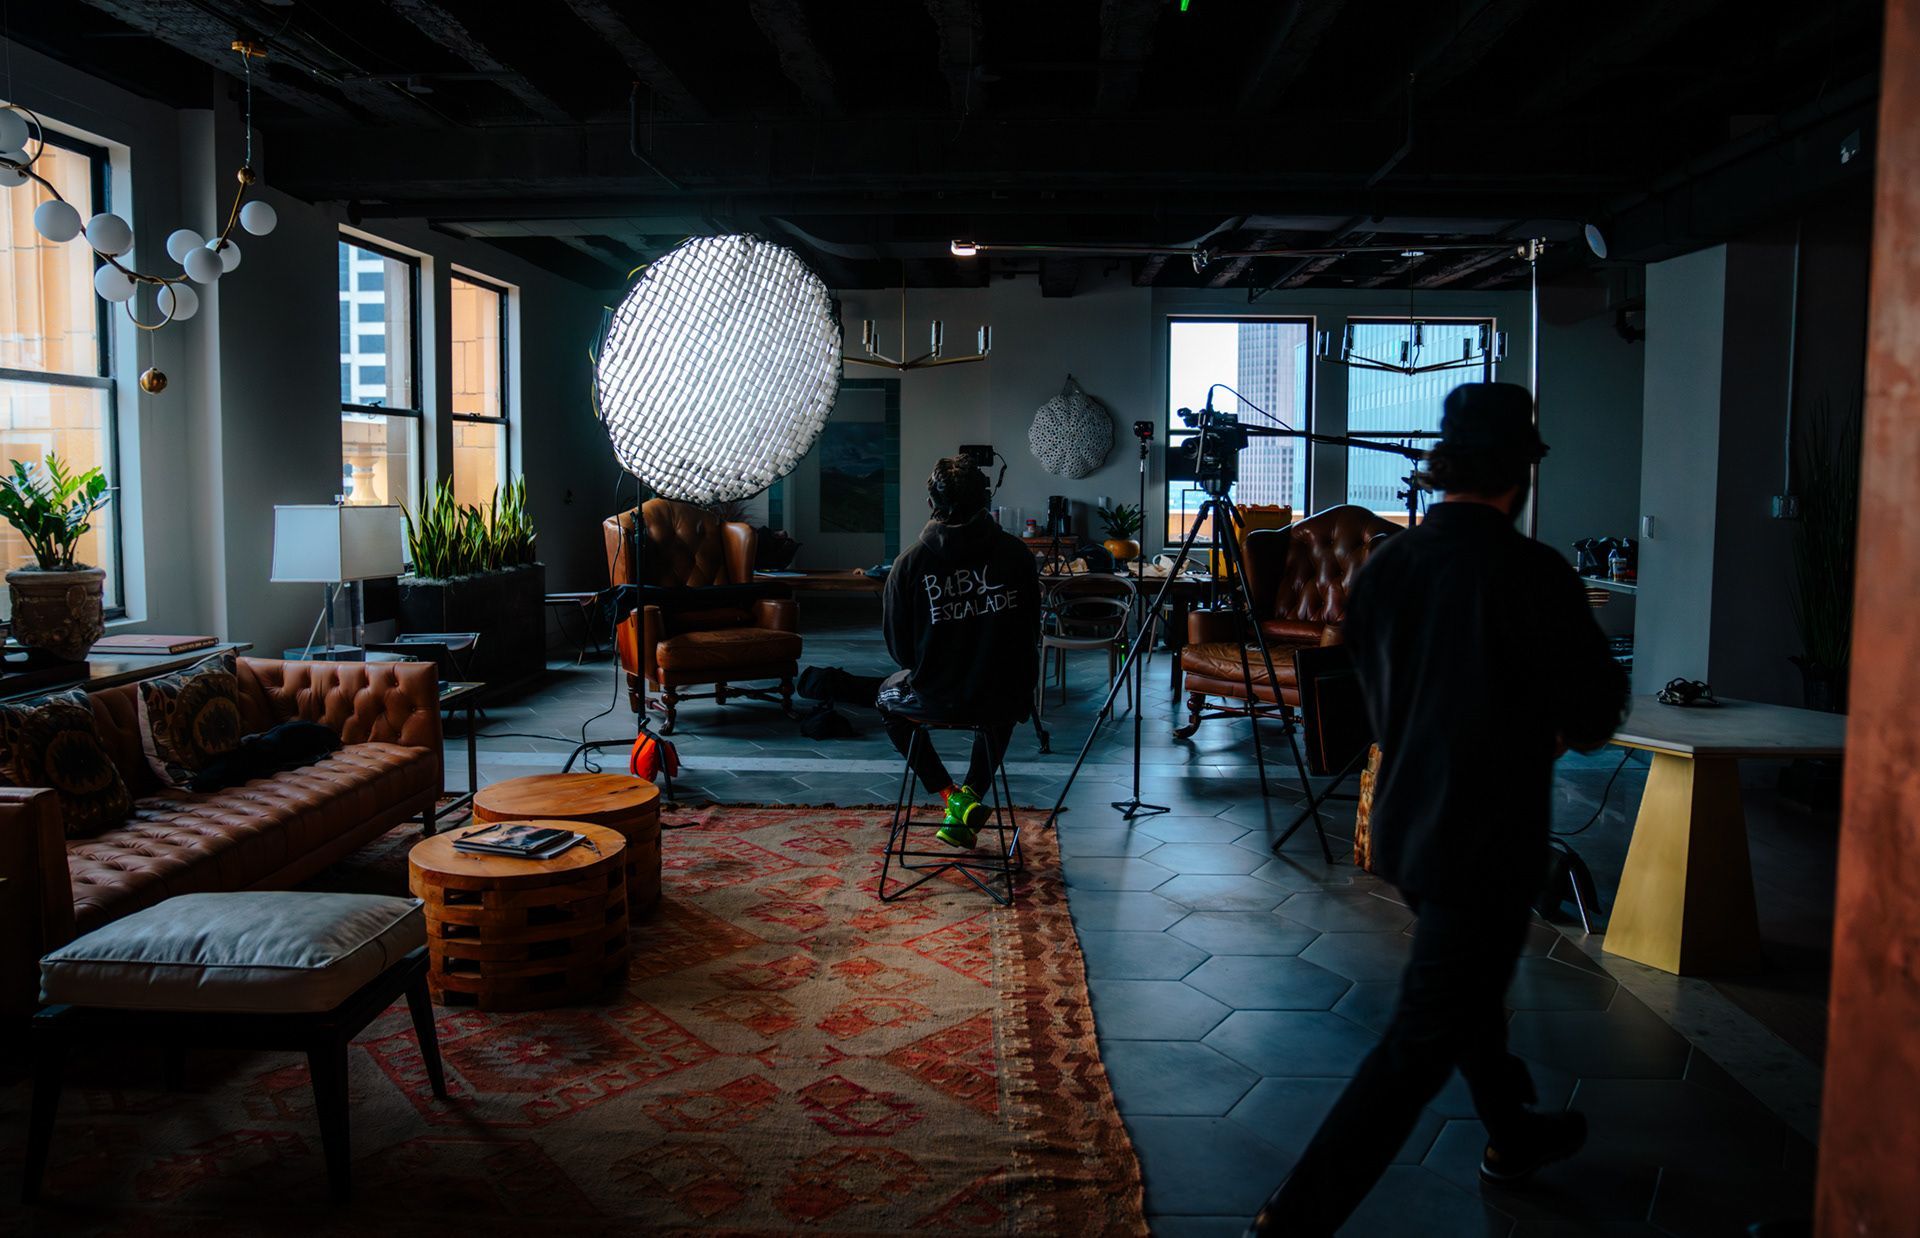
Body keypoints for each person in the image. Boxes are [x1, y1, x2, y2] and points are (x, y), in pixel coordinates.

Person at [1246, 382, 1628, 1236]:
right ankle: (1293, 1219)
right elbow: (1597, 712)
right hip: (1486, 841)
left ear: (1442, 467)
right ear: (1520, 473)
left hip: (1403, 826)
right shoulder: (1535, 573)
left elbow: (1367, 696)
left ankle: (1513, 1133)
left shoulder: (1387, 567)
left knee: (1466, 993)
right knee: (1420, 1041)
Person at [879, 455, 1041, 847]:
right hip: (1000, 697)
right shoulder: (1017, 555)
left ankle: (951, 795)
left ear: (930, 503)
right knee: (1006, 697)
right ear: (986, 501)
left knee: (886, 699)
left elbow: (900, 651)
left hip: (935, 696)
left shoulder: (908, 564)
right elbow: (1029, 633)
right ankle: (969, 797)